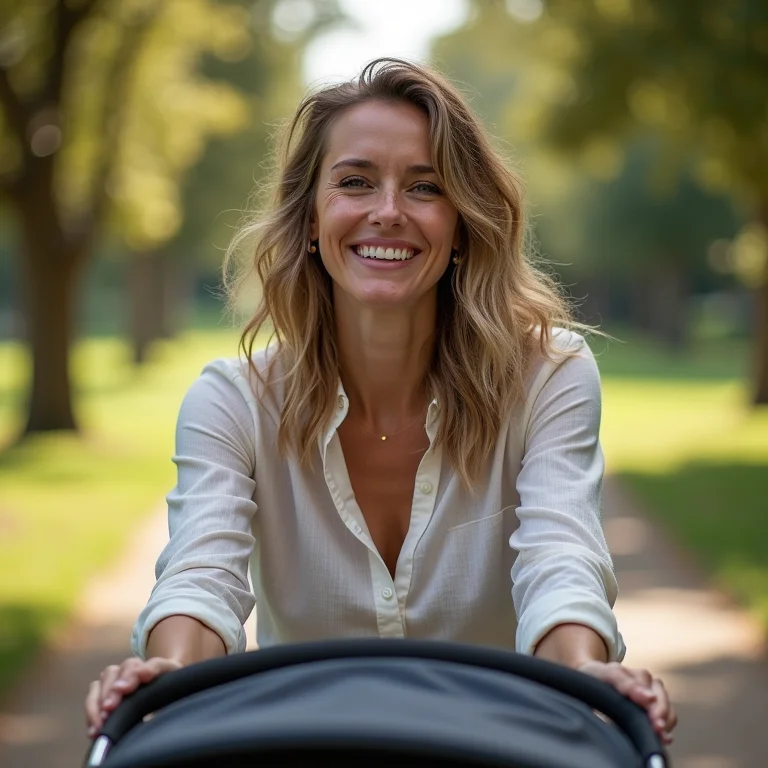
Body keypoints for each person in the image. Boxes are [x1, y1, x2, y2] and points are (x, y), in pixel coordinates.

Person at [85, 58, 676, 744]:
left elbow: (560, 557)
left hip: (495, 748)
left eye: (425, 187)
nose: (388, 212)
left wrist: (583, 671)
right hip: (298, 753)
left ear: (461, 224)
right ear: (310, 217)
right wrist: (167, 670)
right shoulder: (232, 402)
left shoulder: (549, 378)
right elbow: (201, 575)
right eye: (355, 182)